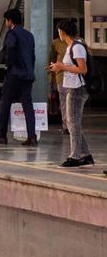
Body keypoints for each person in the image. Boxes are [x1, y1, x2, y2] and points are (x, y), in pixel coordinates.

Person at [0, 9, 37, 146]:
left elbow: (10, 51)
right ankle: (32, 136)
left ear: (10, 21)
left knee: (5, 104)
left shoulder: (12, 33)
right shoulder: (29, 35)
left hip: (15, 74)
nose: (6, 23)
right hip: (28, 75)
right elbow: (32, 56)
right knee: (28, 106)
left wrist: (9, 65)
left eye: (6, 21)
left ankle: (1, 135)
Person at [48, 21, 93, 166]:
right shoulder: (70, 47)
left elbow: (82, 69)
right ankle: (86, 155)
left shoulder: (77, 47)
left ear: (62, 31)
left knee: (72, 122)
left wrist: (62, 66)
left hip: (77, 88)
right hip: (71, 87)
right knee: (72, 122)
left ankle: (75, 156)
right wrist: (58, 67)